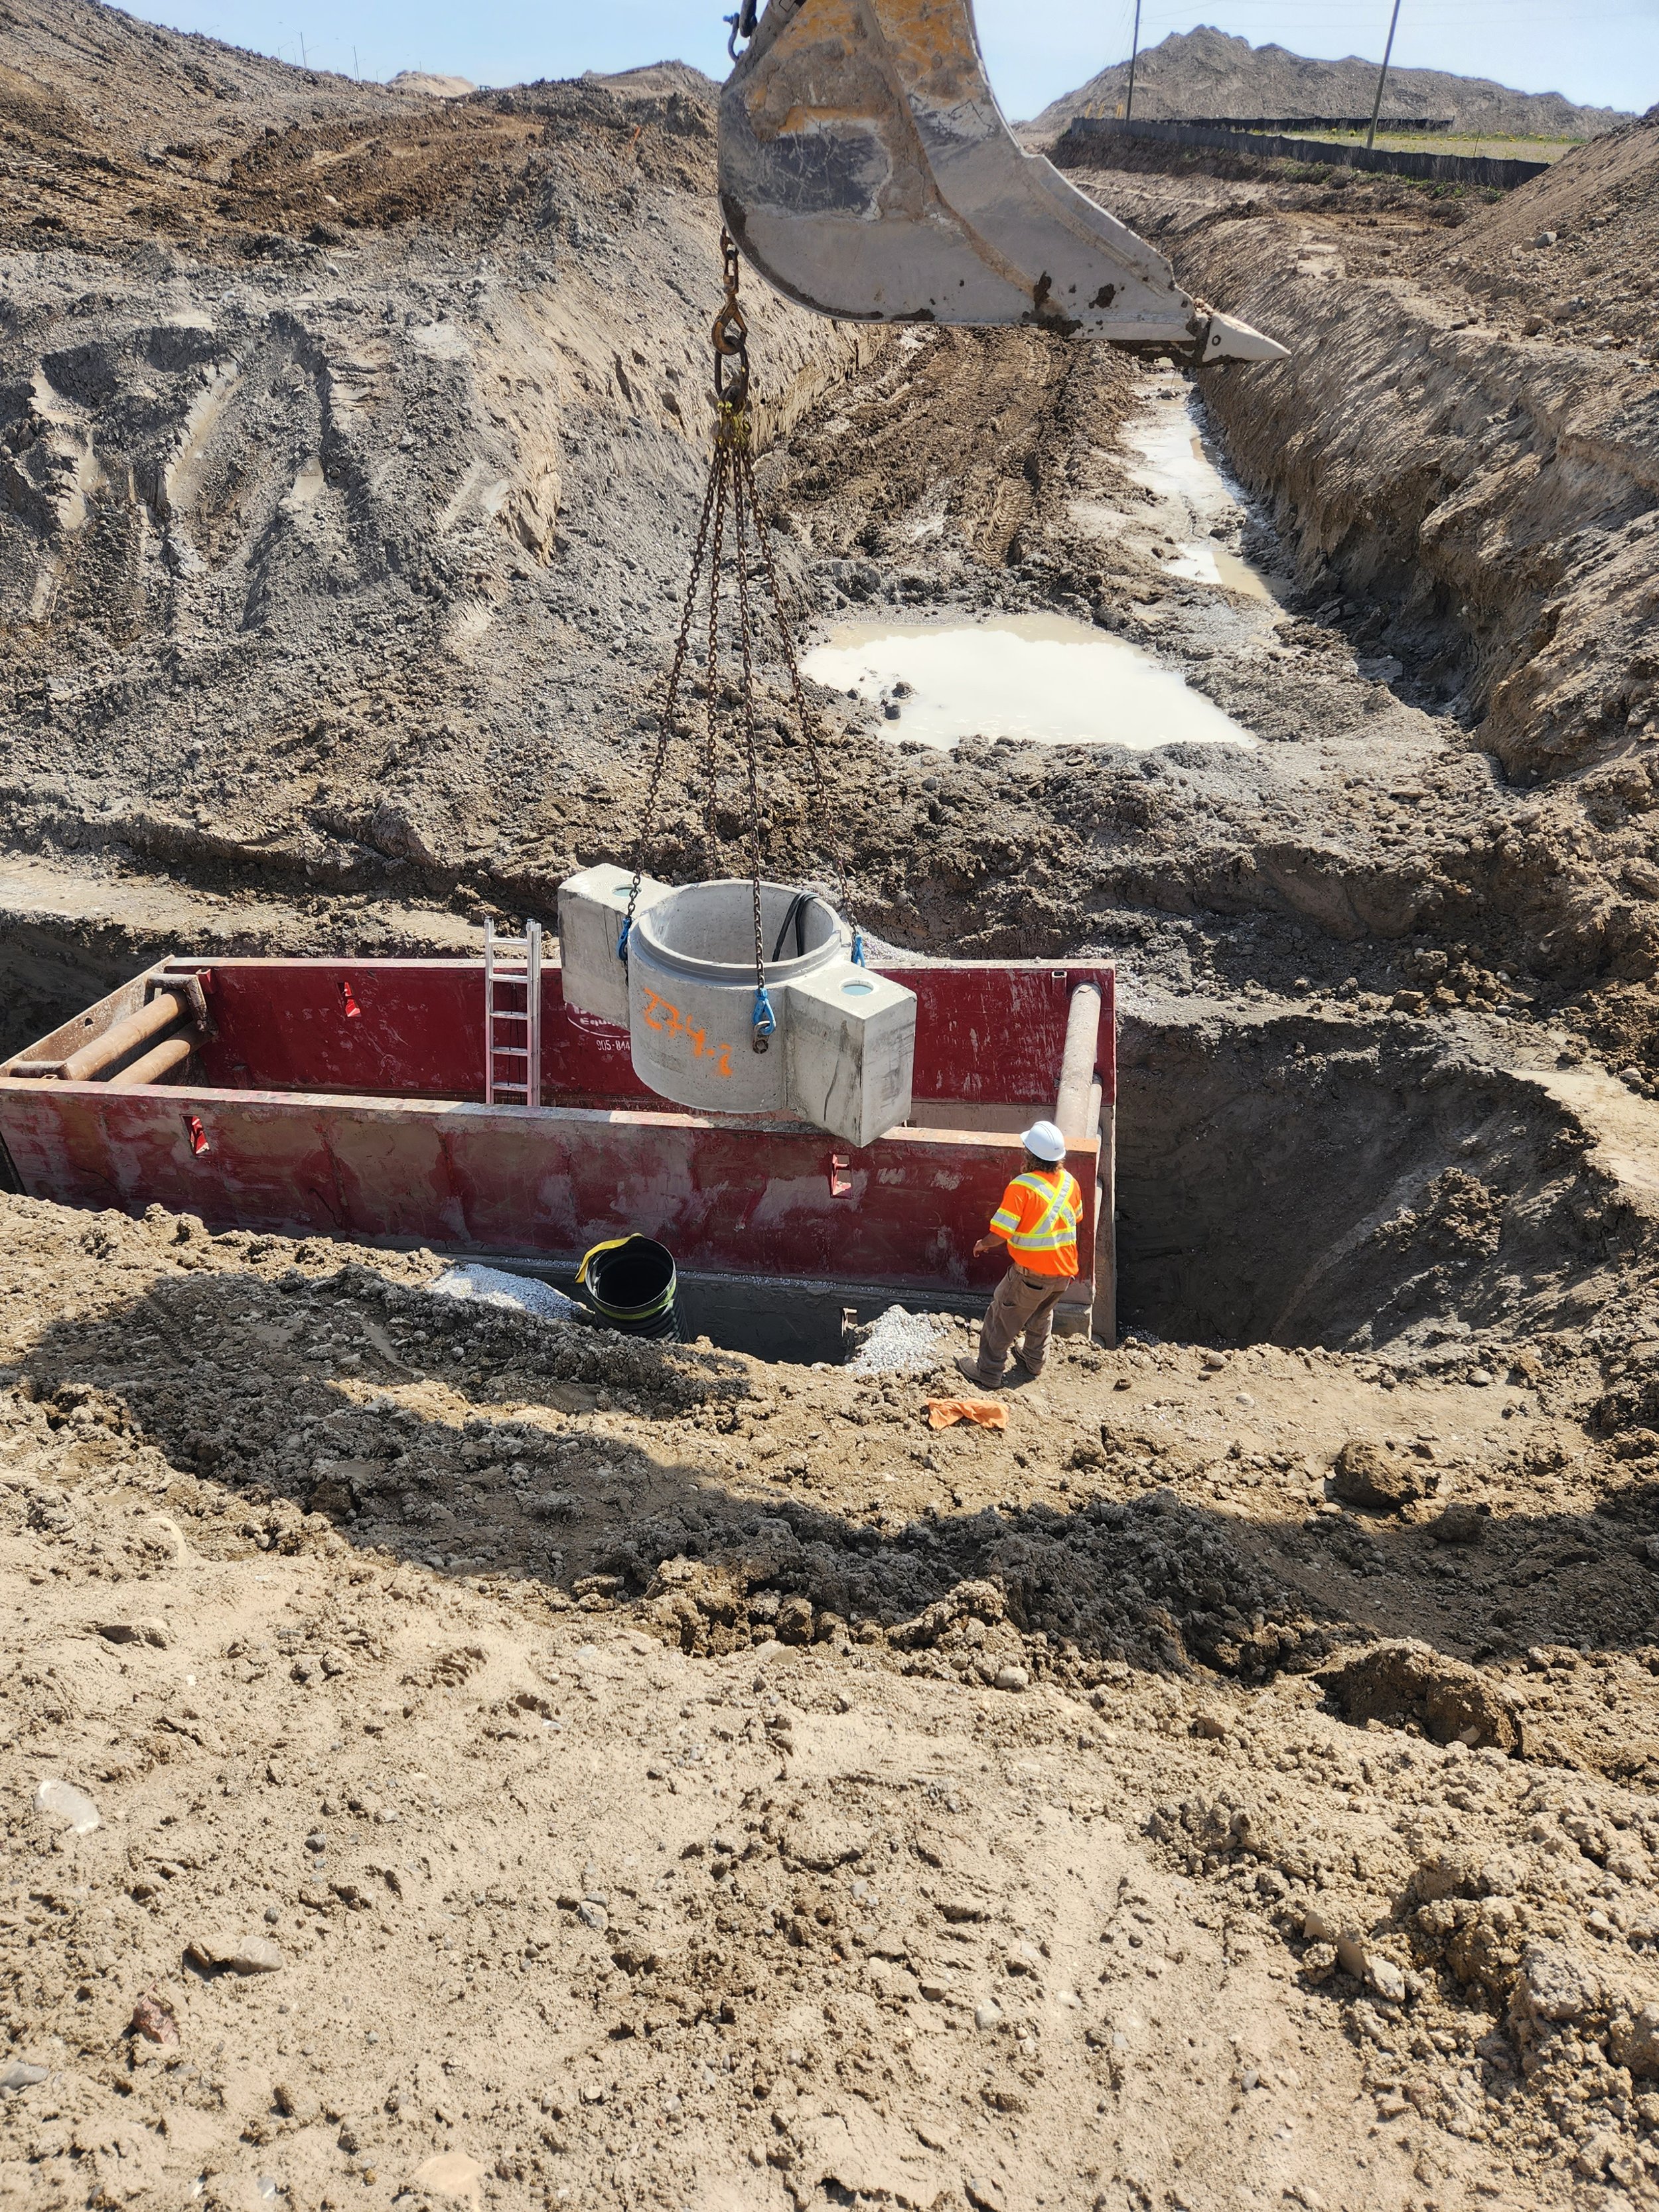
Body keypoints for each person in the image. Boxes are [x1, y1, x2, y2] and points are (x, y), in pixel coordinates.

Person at [956, 1119, 1082, 1389]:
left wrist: (982, 1244)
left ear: (1029, 1155)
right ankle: (1034, 1361)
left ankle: (988, 1373)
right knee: (1041, 1315)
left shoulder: (1022, 1187)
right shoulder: (1071, 1183)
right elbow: (1076, 1218)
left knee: (1000, 1317)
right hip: (1063, 1272)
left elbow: (1001, 1232)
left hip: (1030, 1274)